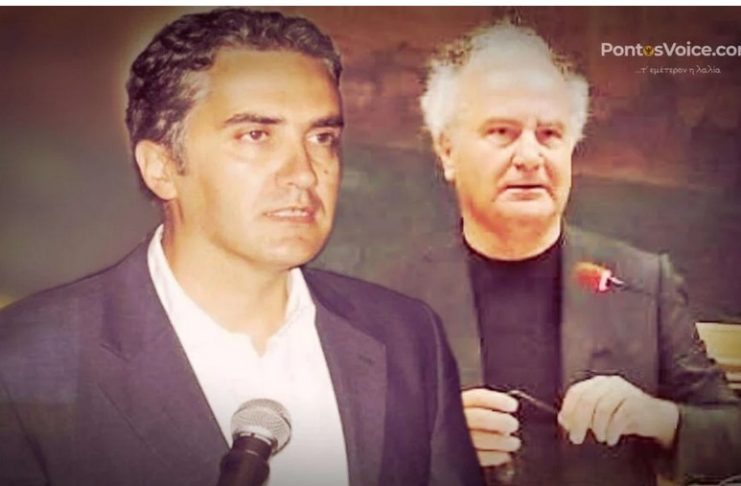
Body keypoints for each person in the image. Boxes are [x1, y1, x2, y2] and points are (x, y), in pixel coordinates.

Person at [0, 8, 482, 486]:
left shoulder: (406, 336)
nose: (304, 173)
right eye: (256, 136)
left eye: (322, 137)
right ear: (161, 167)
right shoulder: (28, 358)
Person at [379, 21, 741, 486]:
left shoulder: (642, 282)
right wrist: (428, 441)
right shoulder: (392, 296)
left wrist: (660, 418)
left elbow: (731, 436)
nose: (530, 156)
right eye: (502, 131)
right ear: (447, 151)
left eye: (549, 133)